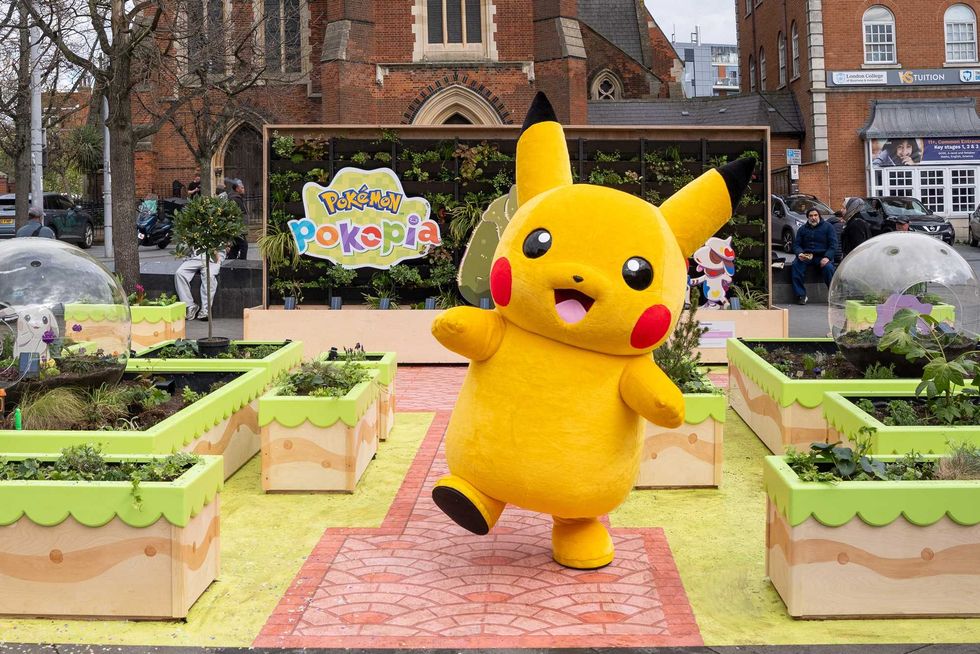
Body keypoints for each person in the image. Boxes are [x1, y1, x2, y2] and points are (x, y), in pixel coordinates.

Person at [791, 208, 838, 305]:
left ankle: (833, 295)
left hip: (823, 256)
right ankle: (801, 295)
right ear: (808, 217)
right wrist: (800, 253)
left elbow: (833, 245)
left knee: (829, 268)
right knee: (796, 265)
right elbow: (796, 245)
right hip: (807, 256)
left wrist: (827, 257)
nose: (813, 218)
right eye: (811, 216)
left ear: (819, 216)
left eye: (815, 215)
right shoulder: (802, 229)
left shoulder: (828, 227)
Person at [174, 247, 225, 321]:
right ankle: (190, 306)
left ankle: (206, 310)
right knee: (180, 273)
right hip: (195, 257)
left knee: (209, 276)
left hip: (213, 257)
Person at [225, 178, 249, 260]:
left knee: (235, 248)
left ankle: (230, 266)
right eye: (242, 188)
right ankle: (242, 265)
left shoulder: (236, 198)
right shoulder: (234, 199)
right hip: (237, 228)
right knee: (244, 245)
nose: (243, 189)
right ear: (237, 189)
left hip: (237, 228)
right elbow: (235, 214)